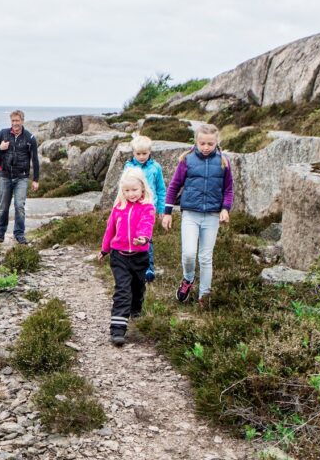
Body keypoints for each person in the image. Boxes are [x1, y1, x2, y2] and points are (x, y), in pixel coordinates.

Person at [161, 124, 234, 306]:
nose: (206, 147)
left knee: (205, 257)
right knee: (188, 253)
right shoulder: (187, 160)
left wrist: (225, 209)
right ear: (196, 141)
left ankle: (204, 296)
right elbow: (174, 186)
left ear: (217, 142)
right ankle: (188, 279)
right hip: (190, 214)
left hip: (212, 216)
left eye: (210, 143)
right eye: (202, 143)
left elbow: (228, 189)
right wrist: (167, 212)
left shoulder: (224, 161)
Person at [99, 169, 156, 346]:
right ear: (122, 191)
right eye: (127, 191)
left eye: (134, 190)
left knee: (137, 287)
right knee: (122, 290)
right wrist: (104, 249)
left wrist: (143, 238)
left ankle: (136, 310)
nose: (131, 194)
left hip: (140, 256)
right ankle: (118, 329)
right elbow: (110, 230)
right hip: (119, 256)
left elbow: (146, 224)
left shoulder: (147, 208)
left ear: (142, 189)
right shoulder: (118, 208)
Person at [0, 110, 40, 244]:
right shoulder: (3, 133)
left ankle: (19, 234)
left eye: (17, 121)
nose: (15, 123)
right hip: (5, 176)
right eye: (13, 121)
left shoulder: (30, 138)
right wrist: (0, 147)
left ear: (22, 121)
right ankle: (1, 232)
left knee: (19, 206)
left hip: (21, 178)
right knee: (4, 207)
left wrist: (35, 180)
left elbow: (35, 160)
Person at [122, 135, 167, 283]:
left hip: (148, 209)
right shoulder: (128, 167)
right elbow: (123, 188)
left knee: (147, 237)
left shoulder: (156, 167)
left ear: (150, 152)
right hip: (131, 208)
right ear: (133, 152)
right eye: (138, 154)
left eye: (144, 153)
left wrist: (161, 209)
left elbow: (161, 189)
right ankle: (132, 266)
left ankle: (149, 268)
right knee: (132, 236)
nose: (141, 157)